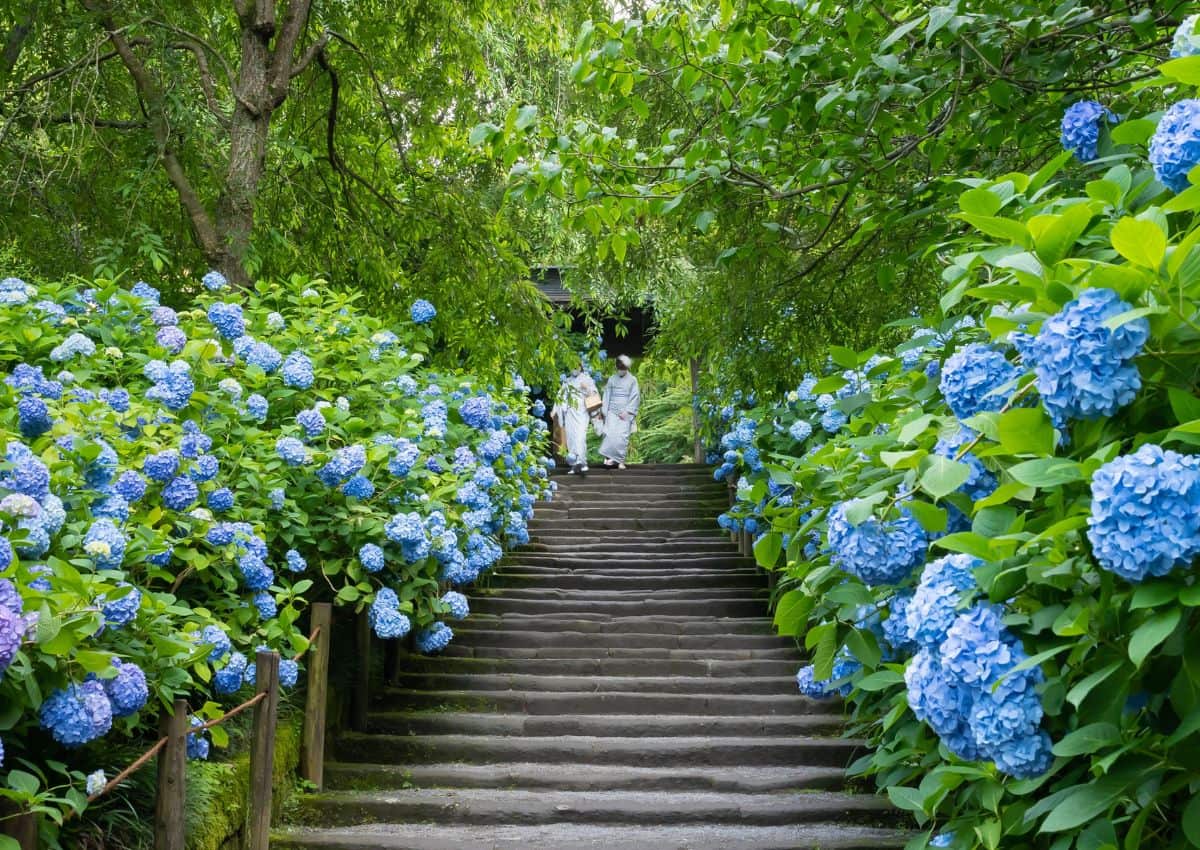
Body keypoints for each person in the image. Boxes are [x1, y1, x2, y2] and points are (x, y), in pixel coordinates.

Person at [551, 358, 598, 474]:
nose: (574, 369)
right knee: (571, 438)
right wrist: (554, 410)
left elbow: (594, 394)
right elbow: (560, 397)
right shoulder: (567, 381)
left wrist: (586, 388)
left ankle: (582, 462)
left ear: (581, 367)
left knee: (580, 437)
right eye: (572, 366)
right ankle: (574, 464)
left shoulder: (587, 379)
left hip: (582, 411)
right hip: (570, 413)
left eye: (576, 366)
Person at [599, 354, 640, 469]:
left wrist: (628, 411)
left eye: (623, 368)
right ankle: (607, 459)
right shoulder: (612, 379)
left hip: (625, 412)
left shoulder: (633, 380)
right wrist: (604, 411)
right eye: (620, 368)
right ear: (617, 367)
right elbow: (607, 395)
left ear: (627, 368)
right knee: (609, 435)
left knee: (622, 437)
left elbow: (635, 396)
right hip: (612, 410)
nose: (621, 370)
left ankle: (620, 460)